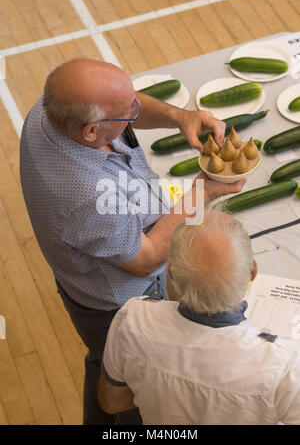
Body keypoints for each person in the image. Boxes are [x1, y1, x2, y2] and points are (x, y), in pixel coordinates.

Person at [19, 58, 245, 425]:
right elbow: (148, 257)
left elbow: (122, 103)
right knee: (133, 394)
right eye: (129, 114)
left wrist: (179, 117)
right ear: (92, 131)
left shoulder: (52, 109)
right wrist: (201, 194)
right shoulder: (84, 196)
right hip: (117, 306)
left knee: (105, 364)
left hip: (104, 268)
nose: (135, 112)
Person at [99, 211, 300, 425]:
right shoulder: (286, 368)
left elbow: (112, 402)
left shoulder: (132, 319)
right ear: (252, 272)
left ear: (172, 274)